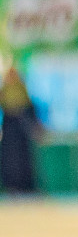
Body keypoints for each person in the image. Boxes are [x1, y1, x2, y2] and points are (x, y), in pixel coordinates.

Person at [0, 63, 39, 195]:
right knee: (10, 160)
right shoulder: (6, 89)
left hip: (20, 129)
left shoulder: (20, 88)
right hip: (10, 129)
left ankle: (24, 186)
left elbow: (28, 107)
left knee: (22, 160)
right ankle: (13, 186)